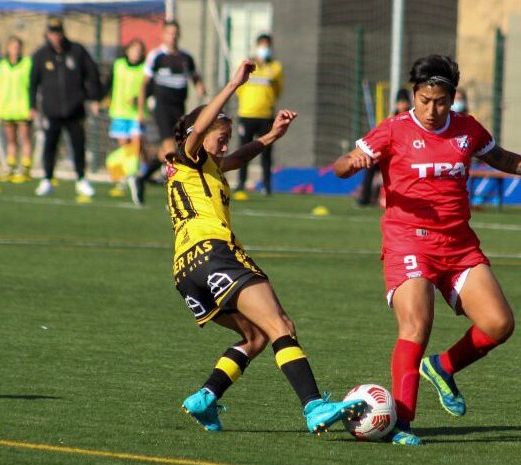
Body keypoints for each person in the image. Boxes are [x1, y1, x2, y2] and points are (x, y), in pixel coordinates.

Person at [334, 55, 521, 446]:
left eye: (440, 101)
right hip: (409, 240)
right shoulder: (393, 130)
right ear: (414, 96)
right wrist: (350, 163)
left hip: (458, 245)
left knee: (499, 324)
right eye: (424, 100)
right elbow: (341, 165)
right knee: (416, 326)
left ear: (452, 97)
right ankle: (403, 423)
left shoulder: (467, 129)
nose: (432, 109)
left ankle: (442, 366)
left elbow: (502, 157)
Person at [167, 59, 366, 435]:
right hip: (215, 253)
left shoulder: (199, 167)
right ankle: (314, 407)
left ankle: (205, 397)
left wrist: (272, 135)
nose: (225, 144)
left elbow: (238, 158)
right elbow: (201, 132)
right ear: (199, 133)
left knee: (255, 336)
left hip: (185, 271)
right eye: (219, 136)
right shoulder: (188, 153)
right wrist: (233, 85)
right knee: (281, 324)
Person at [133, 20, 205, 204]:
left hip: (179, 108)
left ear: (179, 35)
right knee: (171, 150)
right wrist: (140, 111)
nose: (172, 36)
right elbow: (144, 85)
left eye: (175, 33)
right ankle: (173, 197)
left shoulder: (185, 58)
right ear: (163, 35)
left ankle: (141, 178)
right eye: (169, 33)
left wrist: (199, 86)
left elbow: (194, 75)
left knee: (171, 152)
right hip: (161, 108)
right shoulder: (156, 56)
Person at [30, 16, 101, 197]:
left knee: (78, 145)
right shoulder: (41, 55)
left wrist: (94, 98)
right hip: (51, 110)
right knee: (50, 145)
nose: (56, 37)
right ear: (47, 34)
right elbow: (33, 82)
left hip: (74, 109)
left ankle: (81, 179)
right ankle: (47, 179)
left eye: (58, 33)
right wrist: (32, 105)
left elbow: (92, 74)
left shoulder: (77, 51)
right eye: (53, 33)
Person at [234, 33, 283, 194]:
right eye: (262, 45)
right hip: (246, 114)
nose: (264, 49)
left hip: (266, 115)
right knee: (244, 150)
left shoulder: (275, 67)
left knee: (266, 151)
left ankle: (267, 185)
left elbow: (278, 90)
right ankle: (241, 182)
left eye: (267, 45)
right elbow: (238, 88)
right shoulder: (248, 65)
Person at [104, 39, 147, 200]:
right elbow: (108, 84)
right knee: (125, 147)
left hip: (137, 114)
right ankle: (128, 176)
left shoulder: (144, 68)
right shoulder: (118, 65)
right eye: (134, 49)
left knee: (135, 146)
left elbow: (148, 89)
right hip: (119, 112)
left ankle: (135, 174)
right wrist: (100, 99)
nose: (137, 53)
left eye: (139, 50)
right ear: (127, 50)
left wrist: (139, 102)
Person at [358, 89, 411, 206]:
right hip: (388, 155)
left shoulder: (412, 117)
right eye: (400, 102)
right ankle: (365, 198)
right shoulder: (391, 118)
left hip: (404, 155)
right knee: (370, 166)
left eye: (404, 102)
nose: (402, 105)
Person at [0, 37, 33, 183]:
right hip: (7, 108)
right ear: (8, 47)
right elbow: (1, 87)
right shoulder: (3, 65)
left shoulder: (27, 63)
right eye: (13, 46)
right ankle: (10, 167)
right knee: (11, 139)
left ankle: (25, 168)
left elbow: (31, 85)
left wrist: (32, 106)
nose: (15, 49)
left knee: (25, 138)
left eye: (18, 46)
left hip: (23, 107)